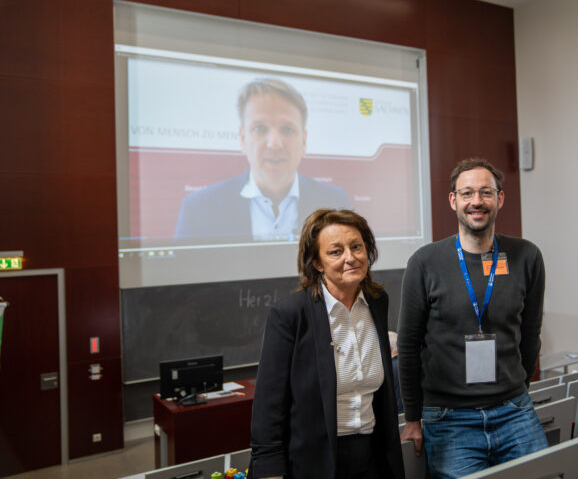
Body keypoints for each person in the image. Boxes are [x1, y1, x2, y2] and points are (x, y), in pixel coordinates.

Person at [397, 158, 548, 479]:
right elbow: (408, 346)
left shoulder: (528, 256)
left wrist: (517, 387)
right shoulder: (424, 263)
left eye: (485, 192)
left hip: (513, 411)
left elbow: (531, 333)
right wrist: (412, 418)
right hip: (449, 418)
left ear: (500, 199)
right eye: (466, 193)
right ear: (454, 201)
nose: (476, 201)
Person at [248, 209, 405, 479]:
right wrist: (269, 471)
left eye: (357, 246)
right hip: (315, 462)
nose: (351, 257)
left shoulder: (377, 303)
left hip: (372, 456)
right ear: (317, 263)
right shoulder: (290, 315)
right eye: (335, 251)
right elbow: (268, 407)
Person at [175, 78, 351, 242]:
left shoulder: (336, 202)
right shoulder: (198, 209)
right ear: (243, 139)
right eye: (260, 128)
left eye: (287, 129)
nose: (274, 144)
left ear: (303, 141)